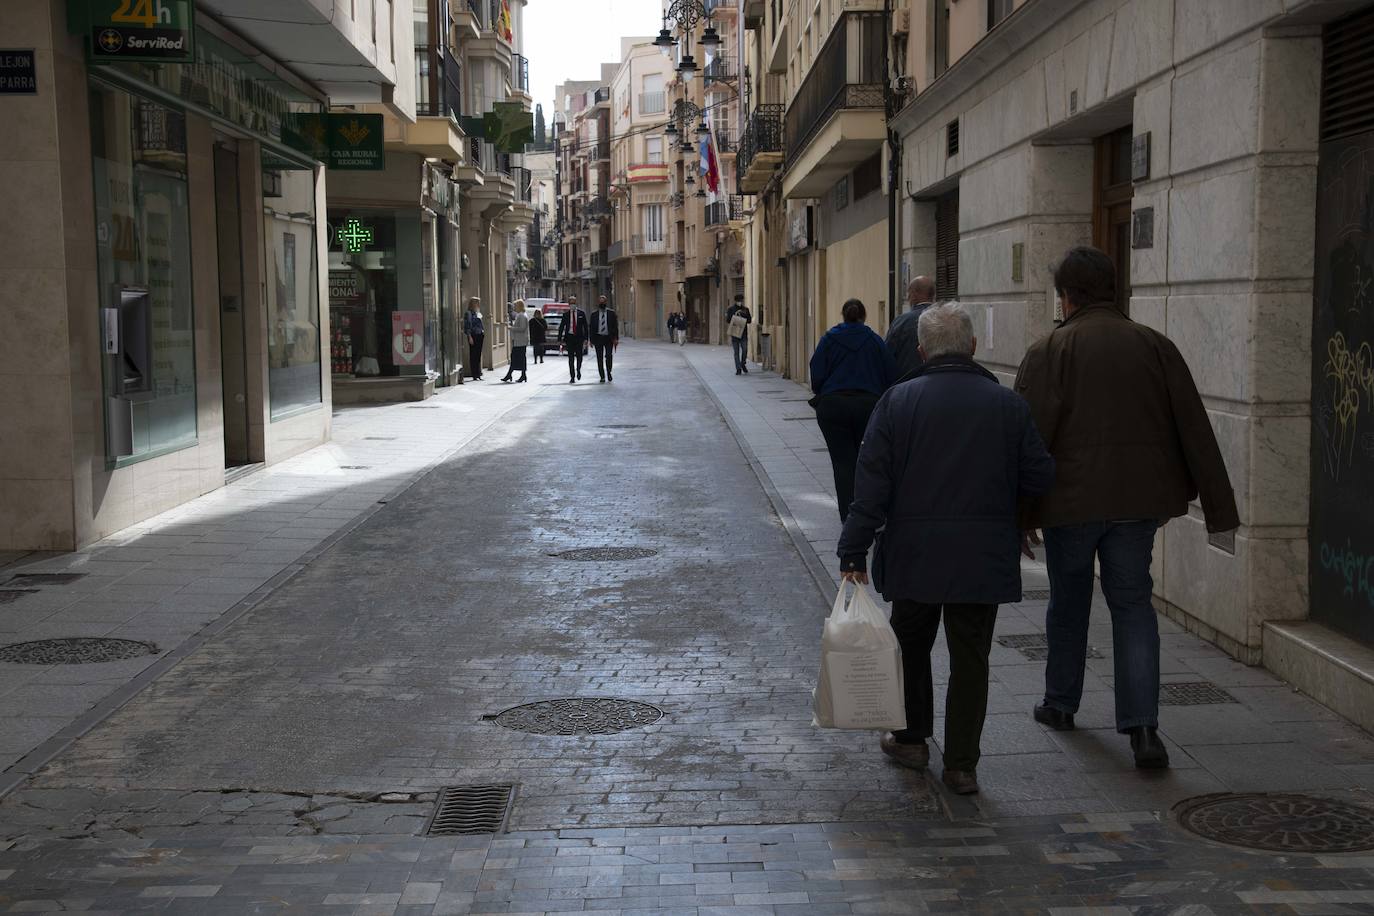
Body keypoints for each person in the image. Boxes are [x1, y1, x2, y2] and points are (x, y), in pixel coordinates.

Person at [1015, 246, 1240, 770]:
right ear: (1114, 290)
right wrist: (1217, 506)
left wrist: (1018, 514)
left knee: (1068, 602)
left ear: (1066, 297)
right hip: (1138, 505)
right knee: (1134, 607)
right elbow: (1194, 427)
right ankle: (1143, 730)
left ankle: (1061, 703)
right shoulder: (1155, 346)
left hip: (1069, 506)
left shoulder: (1050, 349)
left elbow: (1028, 439)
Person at [838, 303, 1055, 796]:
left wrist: (853, 551)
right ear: (973, 346)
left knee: (911, 647)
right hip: (981, 555)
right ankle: (961, 765)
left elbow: (869, 488)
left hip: (914, 553)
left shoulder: (896, 402)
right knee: (970, 656)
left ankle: (912, 740)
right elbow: (1041, 474)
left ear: (920, 350)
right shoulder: (1006, 405)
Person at [809, 299, 897, 521]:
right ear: (864, 316)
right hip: (867, 406)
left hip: (833, 406)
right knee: (866, 461)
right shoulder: (875, 341)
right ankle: (868, 511)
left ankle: (848, 516)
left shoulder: (829, 339)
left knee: (841, 462)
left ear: (843, 315)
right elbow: (891, 374)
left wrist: (825, 391)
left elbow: (816, 373)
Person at [885, 276, 935, 380]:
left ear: (914, 294)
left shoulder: (901, 322)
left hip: (906, 383)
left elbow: (887, 356)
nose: (908, 298)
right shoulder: (948, 319)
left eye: (909, 293)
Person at [557, 296, 589, 383]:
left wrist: (586, 338)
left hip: (579, 338)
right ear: (569, 304)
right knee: (570, 358)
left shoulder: (581, 314)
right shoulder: (566, 315)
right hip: (569, 338)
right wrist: (559, 338)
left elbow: (585, 327)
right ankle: (572, 376)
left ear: (576, 303)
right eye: (571, 303)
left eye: (574, 303)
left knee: (579, 356)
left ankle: (578, 370)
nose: (572, 305)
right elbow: (561, 327)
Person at [590, 295, 620, 383]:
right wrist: (591, 340)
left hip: (608, 338)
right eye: (600, 302)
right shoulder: (594, 314)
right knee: (599, 358)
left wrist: (616, 338)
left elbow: (615, 327)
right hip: (598, 338)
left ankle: (609, 372)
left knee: (608, 356)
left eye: (603, 302)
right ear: (598, 303)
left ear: (606, 302)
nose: (602, 303)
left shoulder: (611, 313)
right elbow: (591, 328)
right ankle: (602, 376)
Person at [502, 299, 529, 383]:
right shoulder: (521, 315)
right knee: (520, 358)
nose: (514, 308)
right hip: (520, 341)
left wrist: (511, 328)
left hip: (520, 341)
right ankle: (521, 375)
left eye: (515, 306)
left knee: (515, 357)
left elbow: (522, 328)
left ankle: (510, 374)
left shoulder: (521, 315)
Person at [728, 298, 752, 375]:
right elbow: (728, 320)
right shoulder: (731, 309)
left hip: (743, 334)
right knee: (736, 352)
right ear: (735, 301)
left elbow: (749, 320)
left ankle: (743, 363)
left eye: (741, 300)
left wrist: (743, 314)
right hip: (735, 333)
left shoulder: (745, 309)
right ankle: (738, 368)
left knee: (745, 350)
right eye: (739, 300)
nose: (740, 302)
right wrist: (735, 315)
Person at [462, 298, 484, 380]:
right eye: (477, 303)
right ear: (473, 304)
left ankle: (478, 373)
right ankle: (474, 374)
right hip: (473, 335)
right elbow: (467, 326)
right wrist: (469, 336)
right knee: (473, 355)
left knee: (478, 355)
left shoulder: (478, 312)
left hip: (480, 335)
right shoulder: (468, 313)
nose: (478, 305)